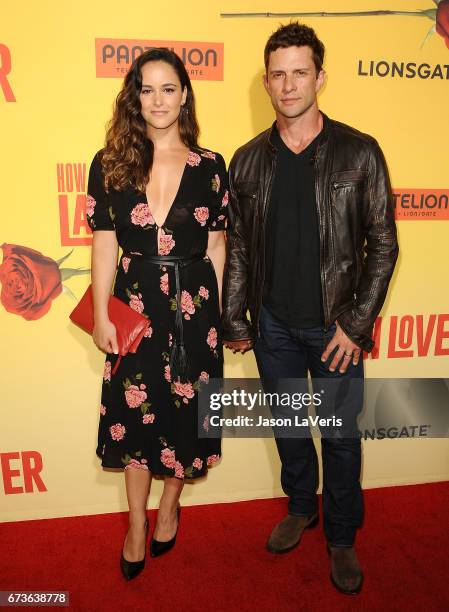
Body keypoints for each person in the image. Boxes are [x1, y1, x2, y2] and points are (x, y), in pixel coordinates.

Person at [222, 22, 398, 595]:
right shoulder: (246, 161)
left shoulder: (360, 151)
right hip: (272, 324)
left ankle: (342, 536)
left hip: (335, 328)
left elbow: (384, 243)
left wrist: (356, 323)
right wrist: (234, 315)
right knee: (291, 428)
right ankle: (302, 507)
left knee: (341, 437)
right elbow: (242, 248)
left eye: (301, 72)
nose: (289, 84)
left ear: (319, 77)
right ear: (266, 83)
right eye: (279, 74)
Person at [87, 48, 228, 580]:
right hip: (135, 307)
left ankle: (170, 507)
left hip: (195, 312)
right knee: (135, 419)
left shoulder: (211, 166)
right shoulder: (111, 162)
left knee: (186, 417)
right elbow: (104, 244)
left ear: (185, 94)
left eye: (169, 88)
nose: (159, 100)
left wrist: (217, 316)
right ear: (135, 96)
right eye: (147, 89)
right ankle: (136, 525)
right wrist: (102, 314)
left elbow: (217, 247)